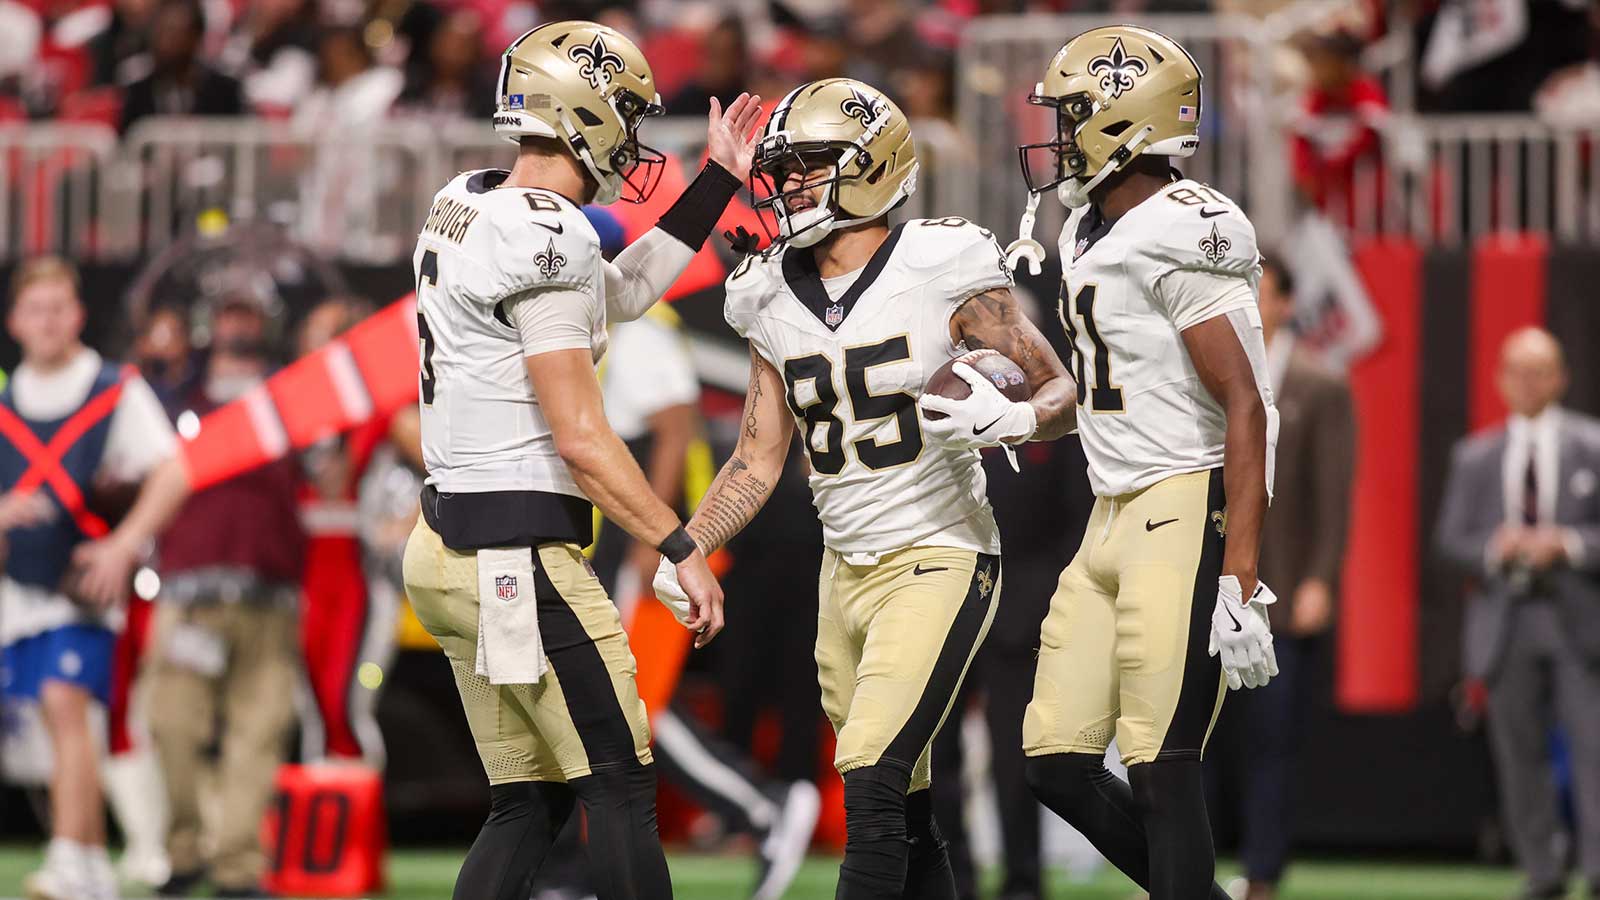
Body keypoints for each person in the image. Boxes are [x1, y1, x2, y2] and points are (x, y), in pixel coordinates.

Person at [655, 77, 1077, 899]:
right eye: (787, 170)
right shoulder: (765, 289)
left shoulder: (942, 262)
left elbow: (1057, 389)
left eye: (811, 166)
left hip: (940, 554)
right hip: (841, 570)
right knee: (905, 809)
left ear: (872, 166)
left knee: (874, 786)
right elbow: (756, 454)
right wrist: (689, 545)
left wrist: (1016, 423)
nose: (793, 186)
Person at [398, 20, 763, 900]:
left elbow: (626, 289)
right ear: (584, 115)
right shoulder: (546, 231)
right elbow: (582, 437)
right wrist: (680, 543)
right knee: (622, 784)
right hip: (515, 553)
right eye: (624, 117)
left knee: (528, 802)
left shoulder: (469, 198)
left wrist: (715, 182)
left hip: (443, 544)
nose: (631, 141)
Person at [1007, 24, 1279, 900]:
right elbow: (1106, 396)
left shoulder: (1183, 224)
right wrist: (1017, 415)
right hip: (1112, 508)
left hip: (1185, 501)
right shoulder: (1088, 228)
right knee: (1053, 760)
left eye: (1075, 113)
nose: (1058, 133)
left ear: (1127, 121)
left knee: (1163, 765)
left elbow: (1246, 403)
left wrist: (1239, 574)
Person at [0, 256, 191, 900]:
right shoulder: (5, 401)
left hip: (84, 589)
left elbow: (173, 471)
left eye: (60, 307)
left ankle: (73, 859)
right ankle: (83, 857)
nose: (49, 321)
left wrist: (123, 547)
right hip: (18, 591)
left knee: (65, 703)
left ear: (78, 315)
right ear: (15, 321)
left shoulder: (113, 387)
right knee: (51, 723)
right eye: (36, 309)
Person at [145, 292, 305, 898]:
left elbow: (327, 473)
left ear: (265, 324)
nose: (240, 325)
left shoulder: (293, 395)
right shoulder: (173, 394)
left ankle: (236, 865)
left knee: (257, 735)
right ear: (211, 324)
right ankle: (185, 850)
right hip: (191, 593)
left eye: (250, 315)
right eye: (230, 314)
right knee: (173, 726)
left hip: (270, 592)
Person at [1206, 256, 1354, 900]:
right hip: (1204, 587)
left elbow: (1334, 495)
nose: (1247, 304)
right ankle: (1184, 872)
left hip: (1283, 589)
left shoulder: (1320, 384)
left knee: (1272, 740)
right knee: (1193, 740)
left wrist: (1322, 578)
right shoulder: (1203, 371)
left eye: (1258, 293)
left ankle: (1262, 876)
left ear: (1287, 304)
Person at [1435, 327, 1600, 900]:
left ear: (1560, 376)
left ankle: (1598, 867)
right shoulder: (1476, 454)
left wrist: (1570, 544)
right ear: (1501, 379)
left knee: (1593, 748)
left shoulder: (1592, 444)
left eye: (1540, 371)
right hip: (1505, 621)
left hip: (1579, 619)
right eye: (1516, 371)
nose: (1527, 382)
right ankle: (1543, 871)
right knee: (1518, 752)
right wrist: (1493, 547)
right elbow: (1450, 539)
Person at [118, 0, 244, 134]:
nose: (163, 43)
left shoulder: (225, 92)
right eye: (160, 33)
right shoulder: (138, 92)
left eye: (173, 34)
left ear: (195, 37)